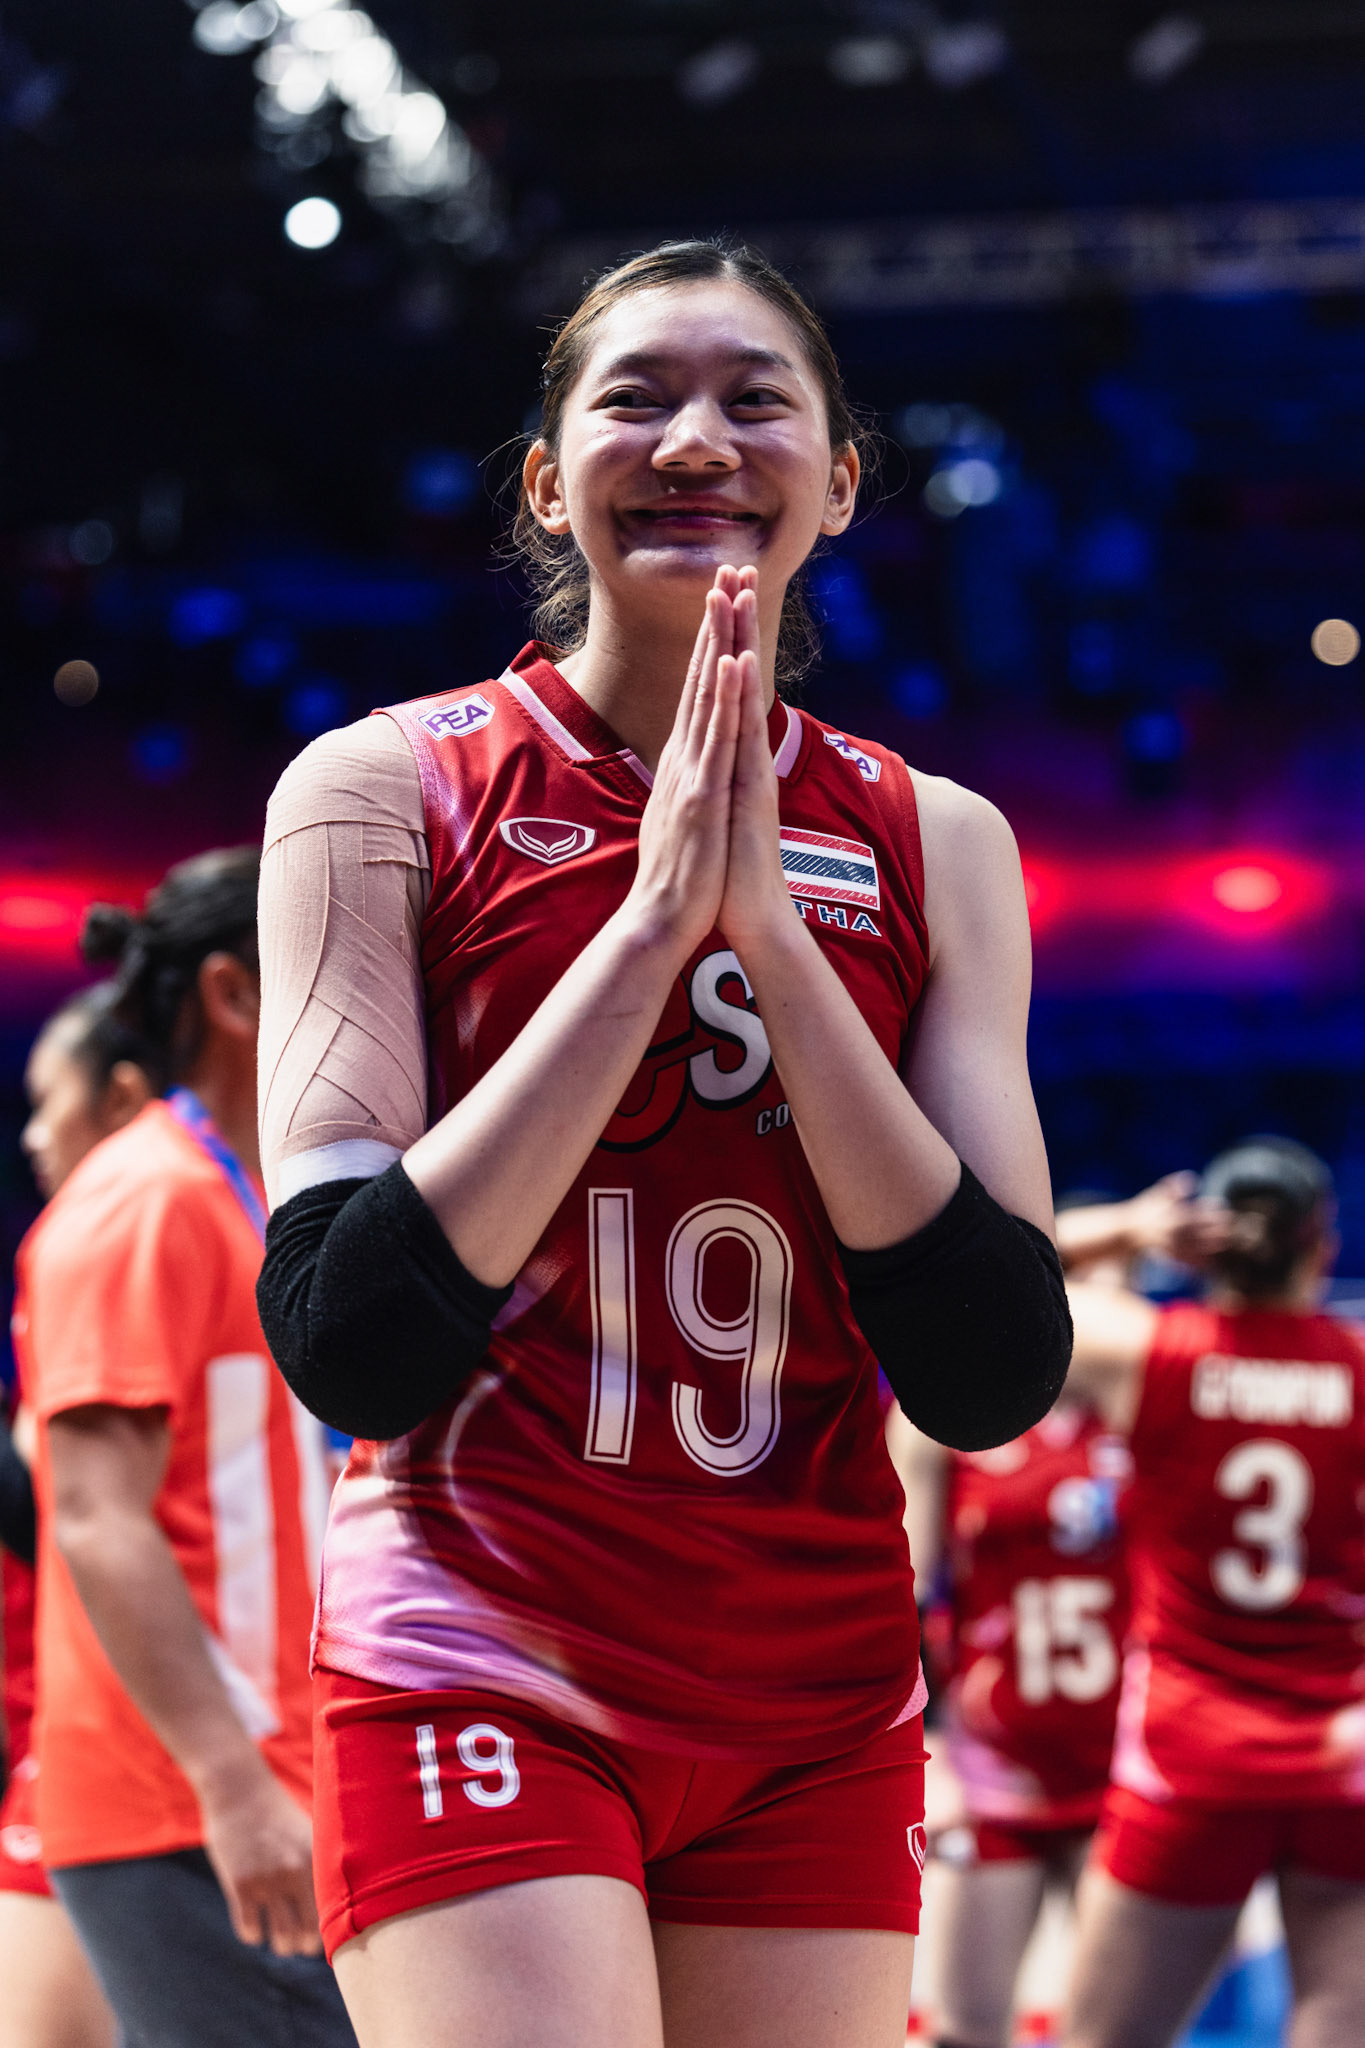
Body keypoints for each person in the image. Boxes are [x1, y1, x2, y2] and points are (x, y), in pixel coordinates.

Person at [255, 237, 1072, 2048]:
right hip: (483, 1652)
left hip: (819, 1698)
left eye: (755, 398)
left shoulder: (941, 842)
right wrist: (644, 934)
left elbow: (993, 1366)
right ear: (550, 480)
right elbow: (346, 1341)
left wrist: (773, 934)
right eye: (635, 397)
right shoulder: (384, 786)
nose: (697, 437)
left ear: (840, 483)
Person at [17, 849, 353, 2048]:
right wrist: (229, 1782)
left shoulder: (241, 1202)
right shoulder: (144, 1198)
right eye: (337, 962)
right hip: (198, 1804)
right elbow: (95, 1513)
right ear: (235, 994)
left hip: (276, 1788)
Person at [891, 1174, 1222, 2048]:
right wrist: (933, 1756)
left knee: (1117, 2035)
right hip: (993, 1773)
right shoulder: (948, 1424)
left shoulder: (1155, 1421)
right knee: (958, 2030)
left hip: (1127, 1772)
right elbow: (906, 1597)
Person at [1059, 1137, 1365, 2048]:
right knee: (1335, 2025)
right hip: (1343, 1750)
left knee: (1104, 2039)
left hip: (1189, 1755)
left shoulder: (1147, 1352)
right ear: (1325, 1245)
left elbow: (1003, 1272)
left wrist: (1129, 1230)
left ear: (1207, 1246)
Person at [0, 982, 151, 2048]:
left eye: (49, 1100)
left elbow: (77, 1516)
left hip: (116, 1744)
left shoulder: (123, 1230)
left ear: (123, 1096)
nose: (33, 1135)